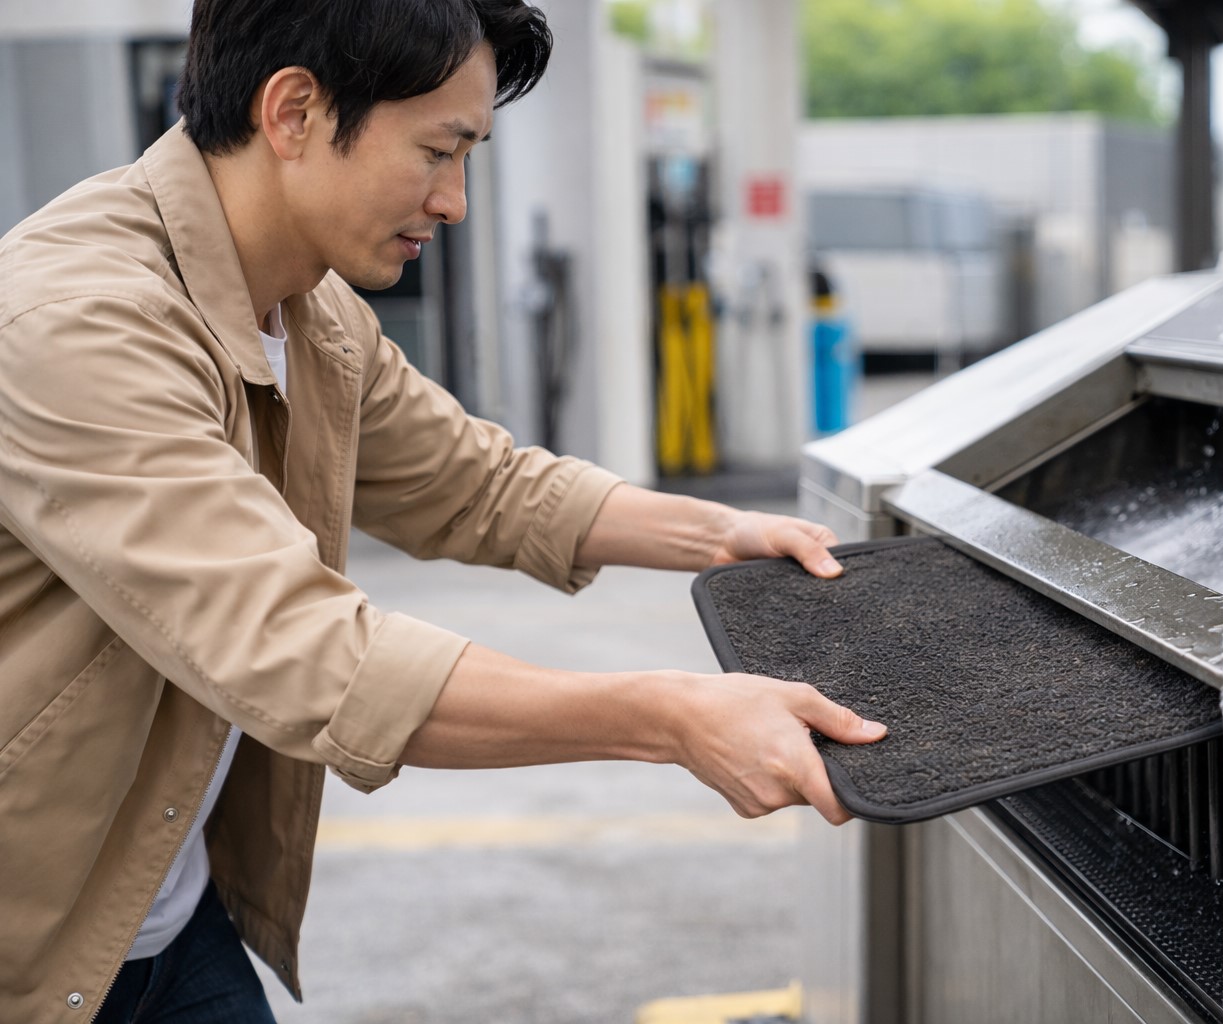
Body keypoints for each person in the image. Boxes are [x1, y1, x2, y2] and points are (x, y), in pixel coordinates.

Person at [0, 1, 887, 1020]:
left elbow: (474, 481)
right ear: (293, 112)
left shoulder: (307, 305)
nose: (457, 200)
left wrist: (722, 534)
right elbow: (303, 646)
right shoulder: (74, 323)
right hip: (30, 941)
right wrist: (672, 716)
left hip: (160, 910)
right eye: (438, 150)